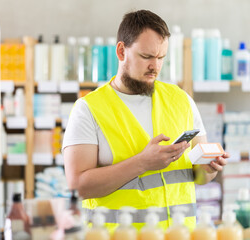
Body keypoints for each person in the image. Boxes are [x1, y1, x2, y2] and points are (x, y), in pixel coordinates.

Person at [63, 9, 228, 232]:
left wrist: (210, 168)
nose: (155, 67)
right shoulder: (88, 109)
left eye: (161, 58)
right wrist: (142, 163)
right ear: (121, 51)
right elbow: (78, 185)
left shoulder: (181, 100)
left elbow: (200, 176)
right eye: (147, 57)